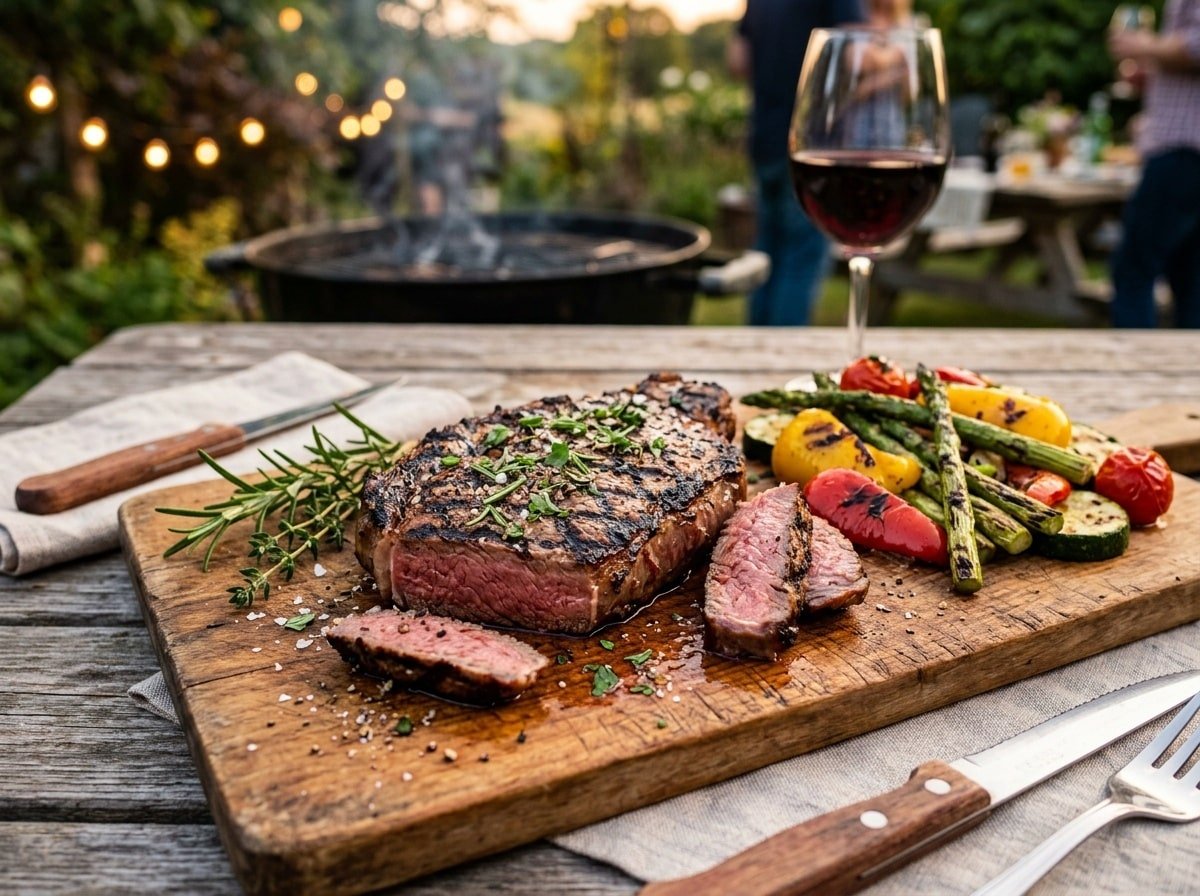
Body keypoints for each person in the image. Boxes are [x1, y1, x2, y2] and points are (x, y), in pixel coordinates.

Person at [730, 0, 864, 326]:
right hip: (813, 145)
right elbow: (853, 56)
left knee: (766, 254)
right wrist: (895, 55)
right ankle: (781, 358)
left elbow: (737, 61)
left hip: (765, 137)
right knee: (800, 260)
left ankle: (754, 353)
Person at [1108, 0, 1200, 328]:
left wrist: (1142, 45)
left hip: (1184, 148)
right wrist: (1154, 73)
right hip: (1182, 146)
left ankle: (1134, 371)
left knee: (1134, 268)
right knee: (1189, 274)